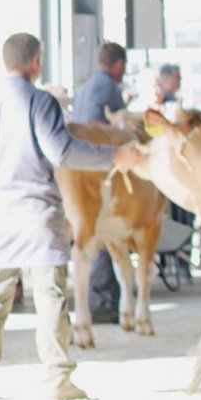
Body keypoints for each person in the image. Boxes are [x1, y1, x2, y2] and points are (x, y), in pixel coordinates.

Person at [0, 33, 137, 400]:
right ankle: (57, 379)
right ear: (35, 62)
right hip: (35, 213)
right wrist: (113, 156)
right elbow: (61, 152)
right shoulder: (40, 101)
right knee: (50, 296)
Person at [71, 41, 130, 325]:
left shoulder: (83, 88)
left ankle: (98, 301)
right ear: (117, 64)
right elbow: (103, 128)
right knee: (107, 234)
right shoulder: (109, 87)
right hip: (100, 167)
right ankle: (104, 302)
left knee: (90, 234)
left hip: (77, 168)